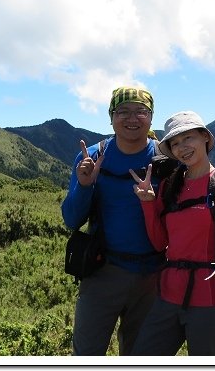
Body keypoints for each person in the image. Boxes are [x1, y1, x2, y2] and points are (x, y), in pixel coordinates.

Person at [129, 110, 215, 356]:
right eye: (175, 143)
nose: (182, 147)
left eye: (188, 138)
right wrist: (148, 204)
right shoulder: (169, 186)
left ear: (205, 137)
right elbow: (159, 242)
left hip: (211, 299)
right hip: (168, 297)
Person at [60, 86, 165, 356]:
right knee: (87, 355)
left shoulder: (165, 159)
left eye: (140, 112)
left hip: (152, 277)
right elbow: (71, 218)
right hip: (103, 272)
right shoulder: (92, 156)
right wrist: (84, 185)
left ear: (151, 117)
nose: (132, 119)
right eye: (123, 112)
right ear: (111, 117)